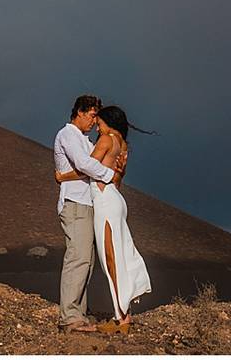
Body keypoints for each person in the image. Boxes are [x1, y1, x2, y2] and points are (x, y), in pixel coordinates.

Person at [55, 105, 153, 334]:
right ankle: (124, 314)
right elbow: (117, 178)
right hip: (115, 199)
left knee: (111, 259)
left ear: (107, 121)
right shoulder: (122, 145)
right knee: (119, 254)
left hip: (104, 203)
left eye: (98, 122)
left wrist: (62, 176)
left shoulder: (106, 140)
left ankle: (121, 319)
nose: (96, 126)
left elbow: (86, 167)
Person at [53, 95, 125, 333]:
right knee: (79, 257)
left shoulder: (83, 139)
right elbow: (84, 165)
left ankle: (79, 314)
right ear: (80, 112)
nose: (95, 122)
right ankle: (70, 318)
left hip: (87, 203)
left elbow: (91, 164)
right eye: (93, 115)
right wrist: (109, 176)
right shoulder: (68, 135)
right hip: (75, 202)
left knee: (87, 261)